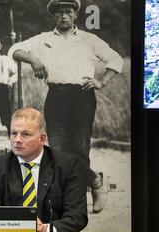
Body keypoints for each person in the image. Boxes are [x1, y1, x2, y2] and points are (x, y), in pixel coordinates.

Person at [8, 0, 123, 213]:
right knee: (58, 150)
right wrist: (34, 60)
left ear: (75, 14)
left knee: (79, 148)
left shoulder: (89, 39)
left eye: (68, 12)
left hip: (82, 96)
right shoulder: (44, 39)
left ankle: (81, 197)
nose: (63, 16)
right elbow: (14, 50)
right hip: (56, 96)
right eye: (59, 12)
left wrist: (101, 82)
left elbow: (115, 60)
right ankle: (93, 181)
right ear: (53, 16)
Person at [0, 108, 88, 232]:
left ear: (42, 138)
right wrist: (23, 226)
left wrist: (45, 229)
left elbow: (77, 216)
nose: (17, 139)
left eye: (26, 134)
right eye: (14, 133)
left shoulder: (69, 165)